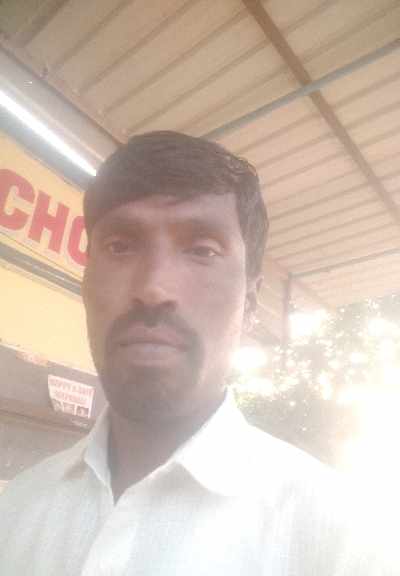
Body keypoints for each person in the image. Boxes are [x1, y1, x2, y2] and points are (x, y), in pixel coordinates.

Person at [0, 132, 391, 575]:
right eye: (120, 246)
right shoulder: (18, 508)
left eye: (202, 250)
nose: (153, 288)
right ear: (85, 284)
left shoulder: (346, 543)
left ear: (249, 303)